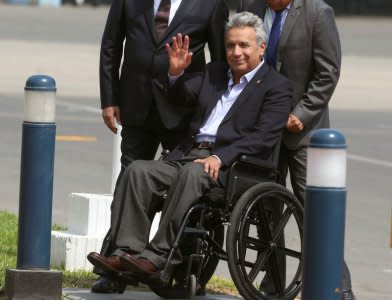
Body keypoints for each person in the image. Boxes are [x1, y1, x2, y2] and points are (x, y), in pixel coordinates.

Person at [88, 11, 292, 289]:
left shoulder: (276, 87)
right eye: (231, 45)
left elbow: (263, 137)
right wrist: (175, 73)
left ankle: (158, 256)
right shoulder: (215, 73)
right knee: (138, 172)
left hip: (233, 166)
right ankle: (126, 253)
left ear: (262, 48)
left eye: (244, 45)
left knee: (191, 175)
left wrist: (220, 156)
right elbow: (181, 96)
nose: (236, 52)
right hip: (189, 154)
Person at [95, 0, 228, 293]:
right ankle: (116, 265)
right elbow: (110, 46)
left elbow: (219, 64)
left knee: (186, 184)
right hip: (136, 102)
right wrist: (109, 98)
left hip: (182, 109)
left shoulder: (211, 4)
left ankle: (182, 269)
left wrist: (211, 115)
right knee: (130, 178)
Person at [238, 1, 355, 299]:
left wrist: (301, 115)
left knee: (315, 212)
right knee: (266, 211)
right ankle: (274, 286)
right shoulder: (250, 7)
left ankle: (337, 287)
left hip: (304, 133)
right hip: (264, 131)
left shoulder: (317, 13)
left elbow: (328, 72)